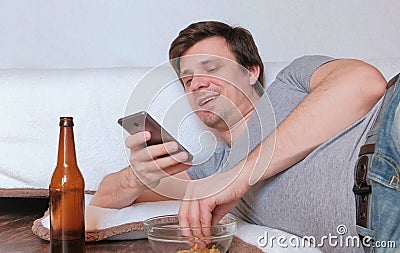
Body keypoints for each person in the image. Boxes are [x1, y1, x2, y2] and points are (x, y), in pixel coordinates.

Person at [90, 21, 388, 252]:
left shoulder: (292, 81)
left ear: (251, 71)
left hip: (388, 145)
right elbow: (104, 198)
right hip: (382, 233)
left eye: (212, 68)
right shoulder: (210, 173)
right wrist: (136, 176)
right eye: (188, 80)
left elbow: (364, 83)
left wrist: (238, 177)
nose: (197, 84)